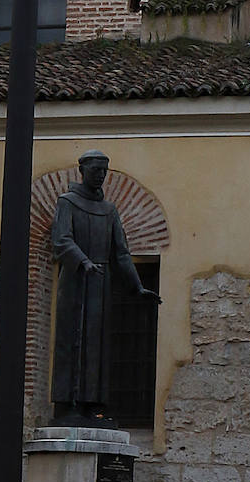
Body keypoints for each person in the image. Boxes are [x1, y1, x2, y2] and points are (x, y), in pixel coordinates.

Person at [50, 150, 161, 427]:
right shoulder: (67, 203)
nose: (100, 174)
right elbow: (62, 240)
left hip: (100, 283)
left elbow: (121, 253)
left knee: (96, 344)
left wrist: (137, 286)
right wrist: (83, 262)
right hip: (75, 280)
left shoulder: (110, 211)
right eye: (95, 169)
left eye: (104, 170)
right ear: (82, 171)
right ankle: (67, 405)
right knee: (72, 340)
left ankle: (91, 405)